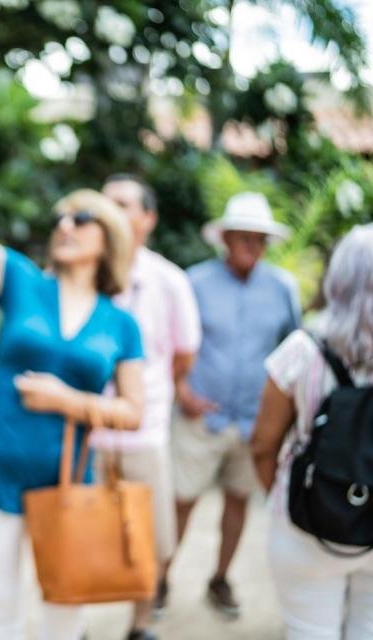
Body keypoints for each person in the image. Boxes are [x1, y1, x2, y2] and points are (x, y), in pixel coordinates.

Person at [0, 89, 144, 640]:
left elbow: (134, 411)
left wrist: (68, 400)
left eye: (80, 217)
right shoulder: (20, 282)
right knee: (2, 616)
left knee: (67, 610)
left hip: (67, 482)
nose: (65, 224)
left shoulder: (121, 324)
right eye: (60, 217)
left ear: (108, 238)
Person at [169, 192, 300, 618]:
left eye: (259, 239)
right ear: (224, 238)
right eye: (242, 237)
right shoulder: (194, 282)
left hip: (252, 420)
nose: (251, 246)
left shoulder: (282, 288)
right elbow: (173, 343)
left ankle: (220, 576)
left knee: (239, 500)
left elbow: (292, 350)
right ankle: (158, 577)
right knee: (181, 500)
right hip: (201, 415)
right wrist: (183, 391)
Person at [92, 174, 202, 639]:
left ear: (148, 219)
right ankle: (75, 622)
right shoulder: (77, 274)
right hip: (83, 432)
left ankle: (140, 624)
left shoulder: (169, 281)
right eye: (103, 203)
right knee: (79, 529)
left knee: (150, 538)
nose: (108, 212)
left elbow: (184, 353)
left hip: (145, 432)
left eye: (121, 203)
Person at [250, 223, 373, 640]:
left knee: (309, 632)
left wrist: (283, 499)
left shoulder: (301, 351)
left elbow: (262, 445)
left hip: (307, 519)